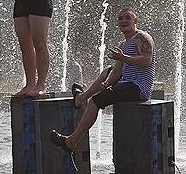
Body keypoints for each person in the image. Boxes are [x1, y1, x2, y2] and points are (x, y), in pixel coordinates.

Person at [50, 8, 154, 155]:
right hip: (127, 84)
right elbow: (117, 71)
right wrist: (107, 83)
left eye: (128, 18)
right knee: (108, 71)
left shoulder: (142, 38)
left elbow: (146, 61)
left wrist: (124, 58)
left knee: (96, 101)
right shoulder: (123, 44)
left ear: (135, 21)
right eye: (120, 18)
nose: (124, 21)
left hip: (138, 88)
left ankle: (71, 142)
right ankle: (80, 99)